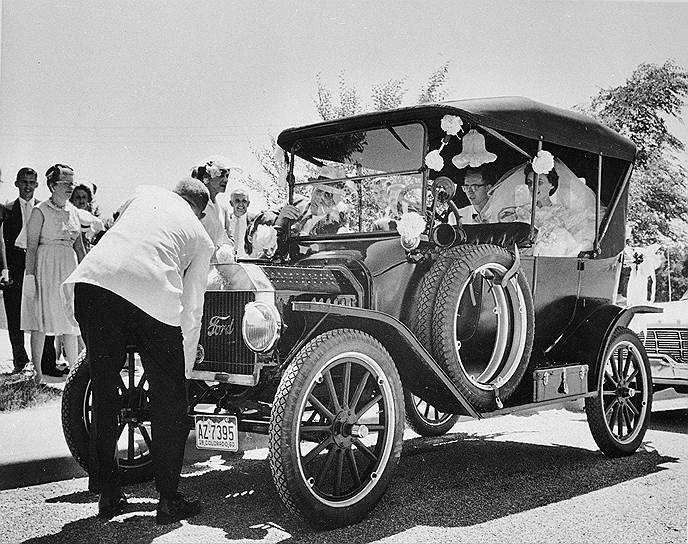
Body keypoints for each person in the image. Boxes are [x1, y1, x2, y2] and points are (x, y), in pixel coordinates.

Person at [64, 178, 213, 523]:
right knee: (169, 399)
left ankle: (109, 494)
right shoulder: (201, 237)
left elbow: (119, 223)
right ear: (201, 211)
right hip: (150, 290)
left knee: (104, 393)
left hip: (92, 283)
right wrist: (184, 371)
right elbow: (192, 310)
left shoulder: (144, 192)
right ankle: (168, 499)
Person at [20, 165, 84, 384]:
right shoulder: (40, 211)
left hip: (69, 269)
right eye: (65, 183)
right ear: (52, 185)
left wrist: (87, 276)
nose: (70, 188)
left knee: (71, 321)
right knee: (41, 319)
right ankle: (37, 372)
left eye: (71, 183)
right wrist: (29, 276)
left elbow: (80, 248)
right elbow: (31, 246)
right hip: (45, 268)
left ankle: (76, 375)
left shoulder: (74, 211)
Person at [0, 168, 58, 376]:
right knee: (14, 313)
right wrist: (5, 268)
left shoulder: (43, 209)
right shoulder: (6, 209)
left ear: (36, 185)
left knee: (43, 310)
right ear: (16, 184)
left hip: (36, 261)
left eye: (31, 182)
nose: (27, 186)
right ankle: (21, 361)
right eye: (23, 182)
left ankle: (47, 363)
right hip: (15, 262)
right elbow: (2, 242)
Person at [191, 155, 239, 262]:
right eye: (221, 174)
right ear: (207, 177)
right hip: (195, 264)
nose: (226, 180)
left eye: (227, 176)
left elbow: (227, 239)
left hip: (216, 266)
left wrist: (227, 250)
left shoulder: (222, 208)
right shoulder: (196, 203)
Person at [226, 186, 256, 259]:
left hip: (248, 262)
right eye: (237, 201)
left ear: (248, 203)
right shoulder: (225, 220)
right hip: (228, 262)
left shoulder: (255, 221)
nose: (241, 204)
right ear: (231, 203)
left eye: (244, 201)